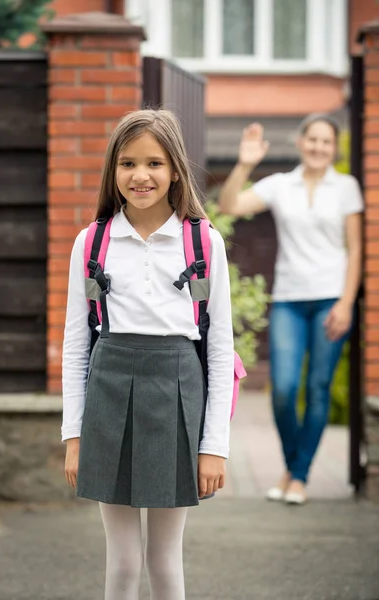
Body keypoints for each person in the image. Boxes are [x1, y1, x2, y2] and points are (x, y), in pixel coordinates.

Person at [62, 109, 234, 600]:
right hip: (108, 395)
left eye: (155, 163)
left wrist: (213, 445)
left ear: (175, 169)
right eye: (128, 163)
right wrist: (74, 434)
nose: (141, 176)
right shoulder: (91, 242)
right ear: (112, 171)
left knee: (164, 561)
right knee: (121, 561)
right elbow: (77, 343)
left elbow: (220, 347)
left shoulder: (203, 242)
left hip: (177, 392)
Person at [219, 114, 363, 505]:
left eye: (326, 142)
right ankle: (293, 468)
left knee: (317, 388)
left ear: (334, 148)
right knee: (282, 389)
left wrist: (348, 302)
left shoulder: (346, 188)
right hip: (288, 300)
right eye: (312, 140)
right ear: (300, 143)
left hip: (331, 300)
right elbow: (229, 205)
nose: (319, 147)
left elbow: (356, 249)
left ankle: (296, 478)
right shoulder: (282, 185)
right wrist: (246, 163)